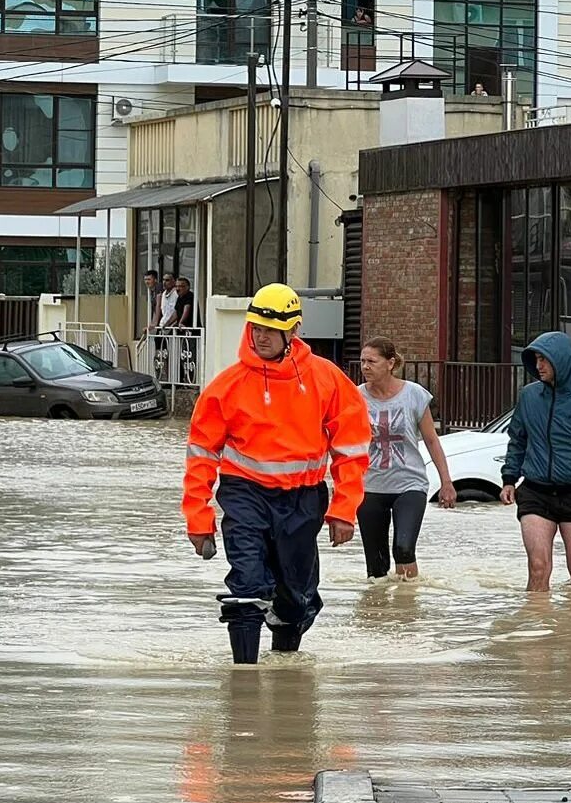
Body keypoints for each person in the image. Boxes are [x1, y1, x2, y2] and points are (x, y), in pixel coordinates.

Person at [183, 284, 372, 664]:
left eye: (270, 328)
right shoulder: (227, 386)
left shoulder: (327, 380)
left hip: (303, 500)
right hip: (244, 495)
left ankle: (286, 666)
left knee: (296, 597)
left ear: (294, 330)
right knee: (247, 585)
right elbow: (201, 455)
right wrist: (198, 519)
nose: (261, 335)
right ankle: (244, 685)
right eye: (255, 327)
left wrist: (343, 510)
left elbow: (351, 451)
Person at [500, 332, 571, 592]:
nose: (539, 366)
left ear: (561, 361)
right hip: (535, 493)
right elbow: (518, 439)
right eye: (537, 360)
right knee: (538, 567)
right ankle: (537, 629)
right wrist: (509, 478)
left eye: (545, 360)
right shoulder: (528, 397)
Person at [357, 337, 456, 580]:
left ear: (390, 363)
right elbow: (344, 442)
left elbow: (431, 440)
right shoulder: (355, 397)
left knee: (403, 549)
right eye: (362, 361)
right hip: (370, 485)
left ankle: (408, 607)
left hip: (409, 484)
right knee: (376, 566)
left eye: (372, 361)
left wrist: (446, 482)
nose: (365, 367)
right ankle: (382, 614)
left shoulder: (414, 394)